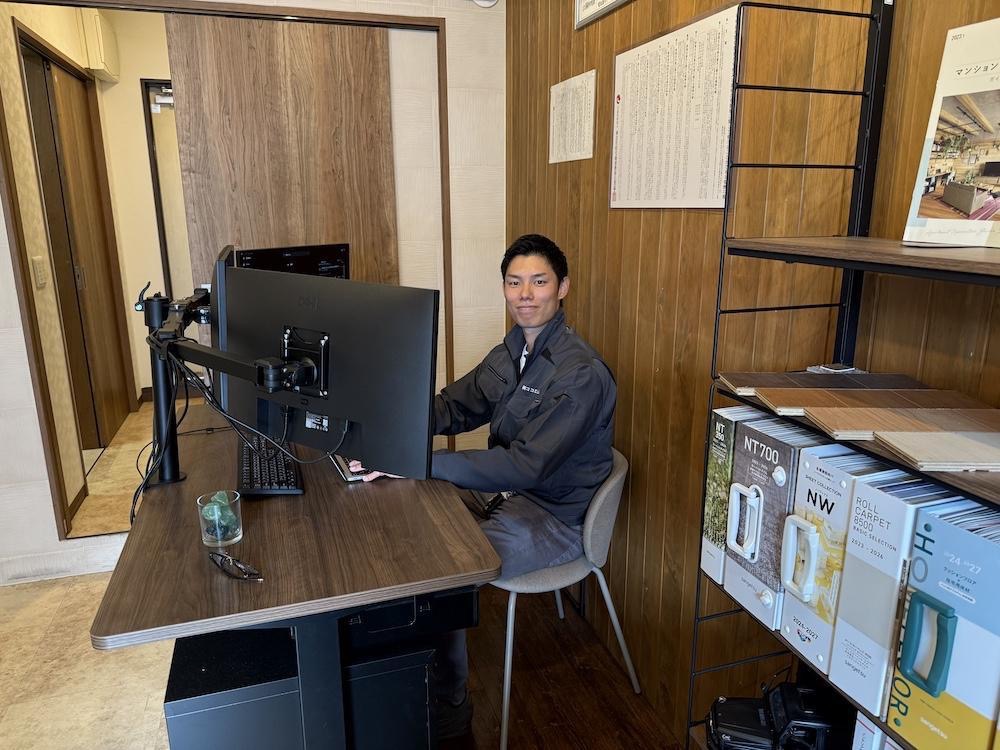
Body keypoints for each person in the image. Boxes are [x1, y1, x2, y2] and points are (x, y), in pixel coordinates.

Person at [354, 233, 616, 738]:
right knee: (399, 503)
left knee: (445, 572)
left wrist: (422, 463)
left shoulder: (580, 374)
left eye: (539, 282)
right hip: (504, 492)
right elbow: (456, 406)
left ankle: (449, 709)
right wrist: (386, 429)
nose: (525, 294)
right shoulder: (514, 349)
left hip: (552, 516)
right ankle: (394, 673)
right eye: (515, 283)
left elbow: (524, 467)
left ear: (563, 287)